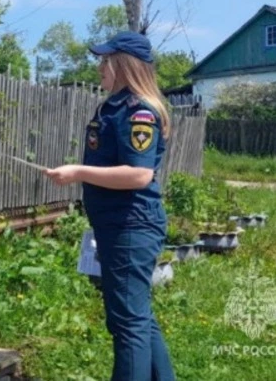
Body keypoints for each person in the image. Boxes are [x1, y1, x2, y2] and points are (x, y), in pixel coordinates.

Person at [43, 31, 176, 381]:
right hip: (118, 225)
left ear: (124, 65)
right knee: (134, 316)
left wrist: (77, 172)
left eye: (105, 61)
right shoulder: (113, 106)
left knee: (128, 324)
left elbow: (138, 174)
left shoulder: (139, 112)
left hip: (131, 226)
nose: (99, 68)